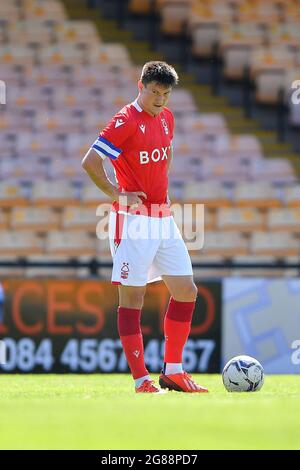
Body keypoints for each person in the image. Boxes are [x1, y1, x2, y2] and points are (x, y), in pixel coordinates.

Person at [82, 61, 208, 394]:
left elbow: (164, 157)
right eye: (154, 92)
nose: (160, 100)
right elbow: (90, 162)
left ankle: (174, 372)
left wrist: (161, 191)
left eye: (165, 94)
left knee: (186, 291)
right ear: (141, 85)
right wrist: (116, 194)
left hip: (163, 217)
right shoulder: (125, 120)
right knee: (133, 299)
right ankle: (141, 380)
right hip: (134, 221)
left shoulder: (167, 118)